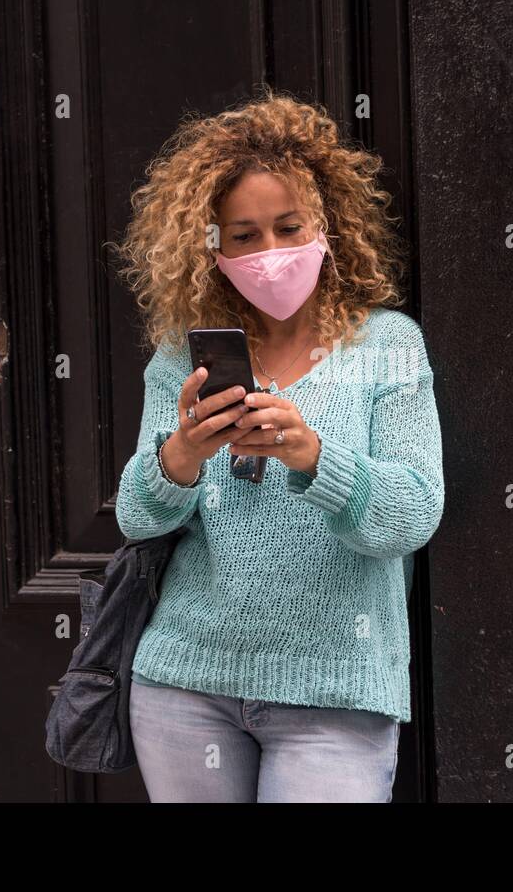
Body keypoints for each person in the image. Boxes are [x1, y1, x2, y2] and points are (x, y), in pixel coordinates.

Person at [109, 88, 445, 802]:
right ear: (214, 246)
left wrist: (315, 457)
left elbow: (415, 511)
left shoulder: (388, 346)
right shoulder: (183, 357)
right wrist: (182, 457)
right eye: (245, 235)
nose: (270, 252)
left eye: (289, 228)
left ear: (328, 225)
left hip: (337, 693)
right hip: (186, 684)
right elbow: (138, 519)